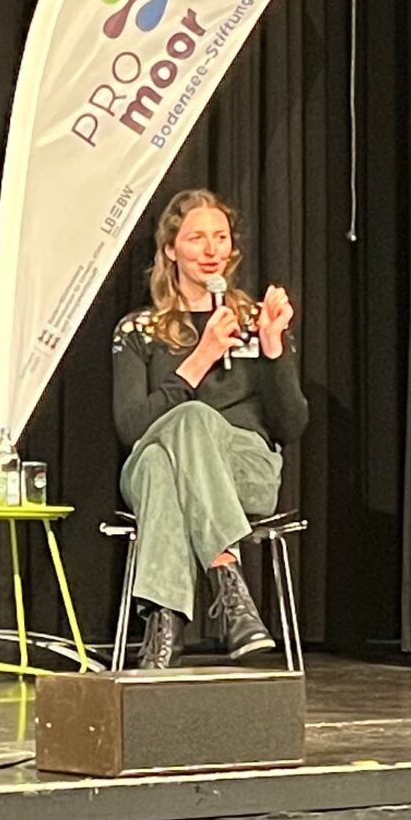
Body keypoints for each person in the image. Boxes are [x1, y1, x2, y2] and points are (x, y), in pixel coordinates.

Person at [112, 188, 308, 668]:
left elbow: (291, 424)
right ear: (170, 250)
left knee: (172, 454)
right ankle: (229, 586)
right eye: (196, 238)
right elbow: (131, 428)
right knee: (166, 448)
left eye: (220, 237)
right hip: (148, 471)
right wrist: (198, 360)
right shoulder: (139, 330)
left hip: (245, 474)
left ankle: (163, 625)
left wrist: (273, 348)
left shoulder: (255, 323)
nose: (210, 249)